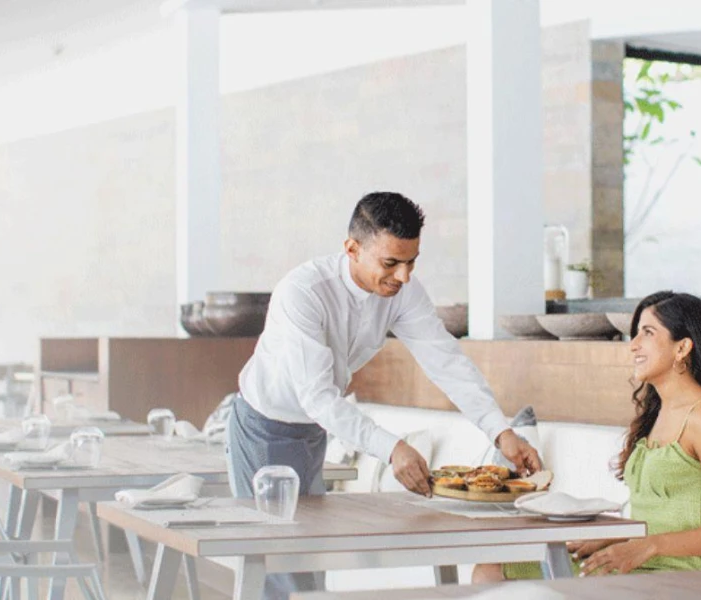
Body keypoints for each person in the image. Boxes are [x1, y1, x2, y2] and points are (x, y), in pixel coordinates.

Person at [230, 191, 544, 598]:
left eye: (412, 261)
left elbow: (446, 362)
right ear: (352, 249)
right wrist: (393, 448)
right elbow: (319, 397)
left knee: (308, 561)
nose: (404, 276)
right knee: (275, 566)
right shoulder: (302, 292)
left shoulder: (402, 291)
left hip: (314, 431)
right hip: (264, 427)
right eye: (390, 263)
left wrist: (502, 433)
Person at [472, 290, 701, 582]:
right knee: (491, 569)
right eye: (635, 335)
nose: (633, 345)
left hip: (681, 577)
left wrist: (646, 547)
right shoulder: (658, 414)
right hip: (639, 564)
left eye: (647, 333)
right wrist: (612, 540)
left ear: (682, 347)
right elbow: (661, 516)